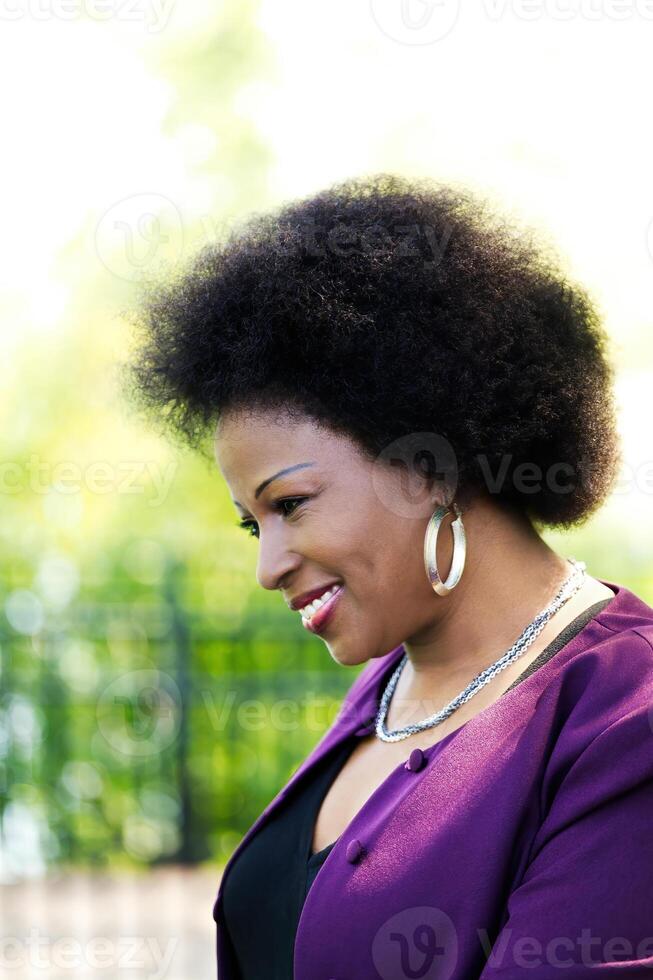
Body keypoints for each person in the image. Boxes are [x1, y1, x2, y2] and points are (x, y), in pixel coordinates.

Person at [123, 173, 653, 978]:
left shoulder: (624, 719)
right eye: (250, 523)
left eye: (291, 503)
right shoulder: (387, 688)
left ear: (430, 464)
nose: (266, 568)